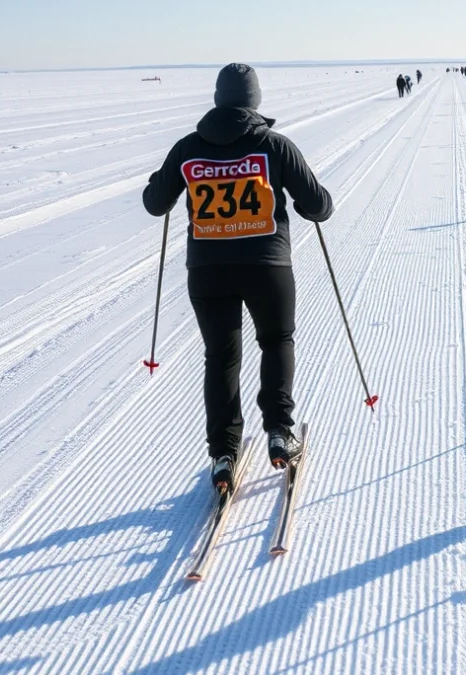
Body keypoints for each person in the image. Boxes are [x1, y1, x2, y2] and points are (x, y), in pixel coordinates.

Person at [142, 63, 334, 490]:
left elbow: (156, 204)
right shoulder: (276, 147)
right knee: (276, 342)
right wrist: (307, 201)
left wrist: (164, 180)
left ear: (217, 99)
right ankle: (279, 432)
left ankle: (223, 453)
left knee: (222, 357)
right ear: (255, 101)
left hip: (208, 272)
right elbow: (318, 205)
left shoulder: (187, 148)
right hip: (268, 268)